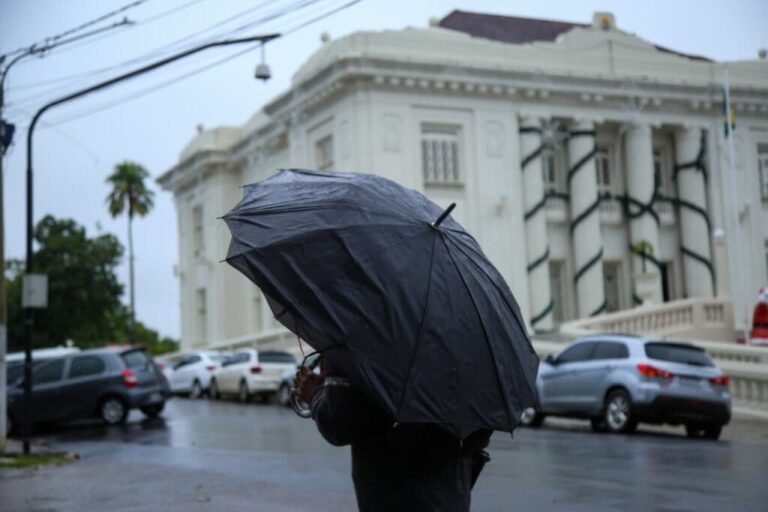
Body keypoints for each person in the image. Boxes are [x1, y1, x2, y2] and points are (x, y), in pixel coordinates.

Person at [293, 361, 492, 512]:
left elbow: (339, 423)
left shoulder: (367, 326)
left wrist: (316, 395)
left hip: (391, 494)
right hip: (450, 496)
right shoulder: (470, 340)